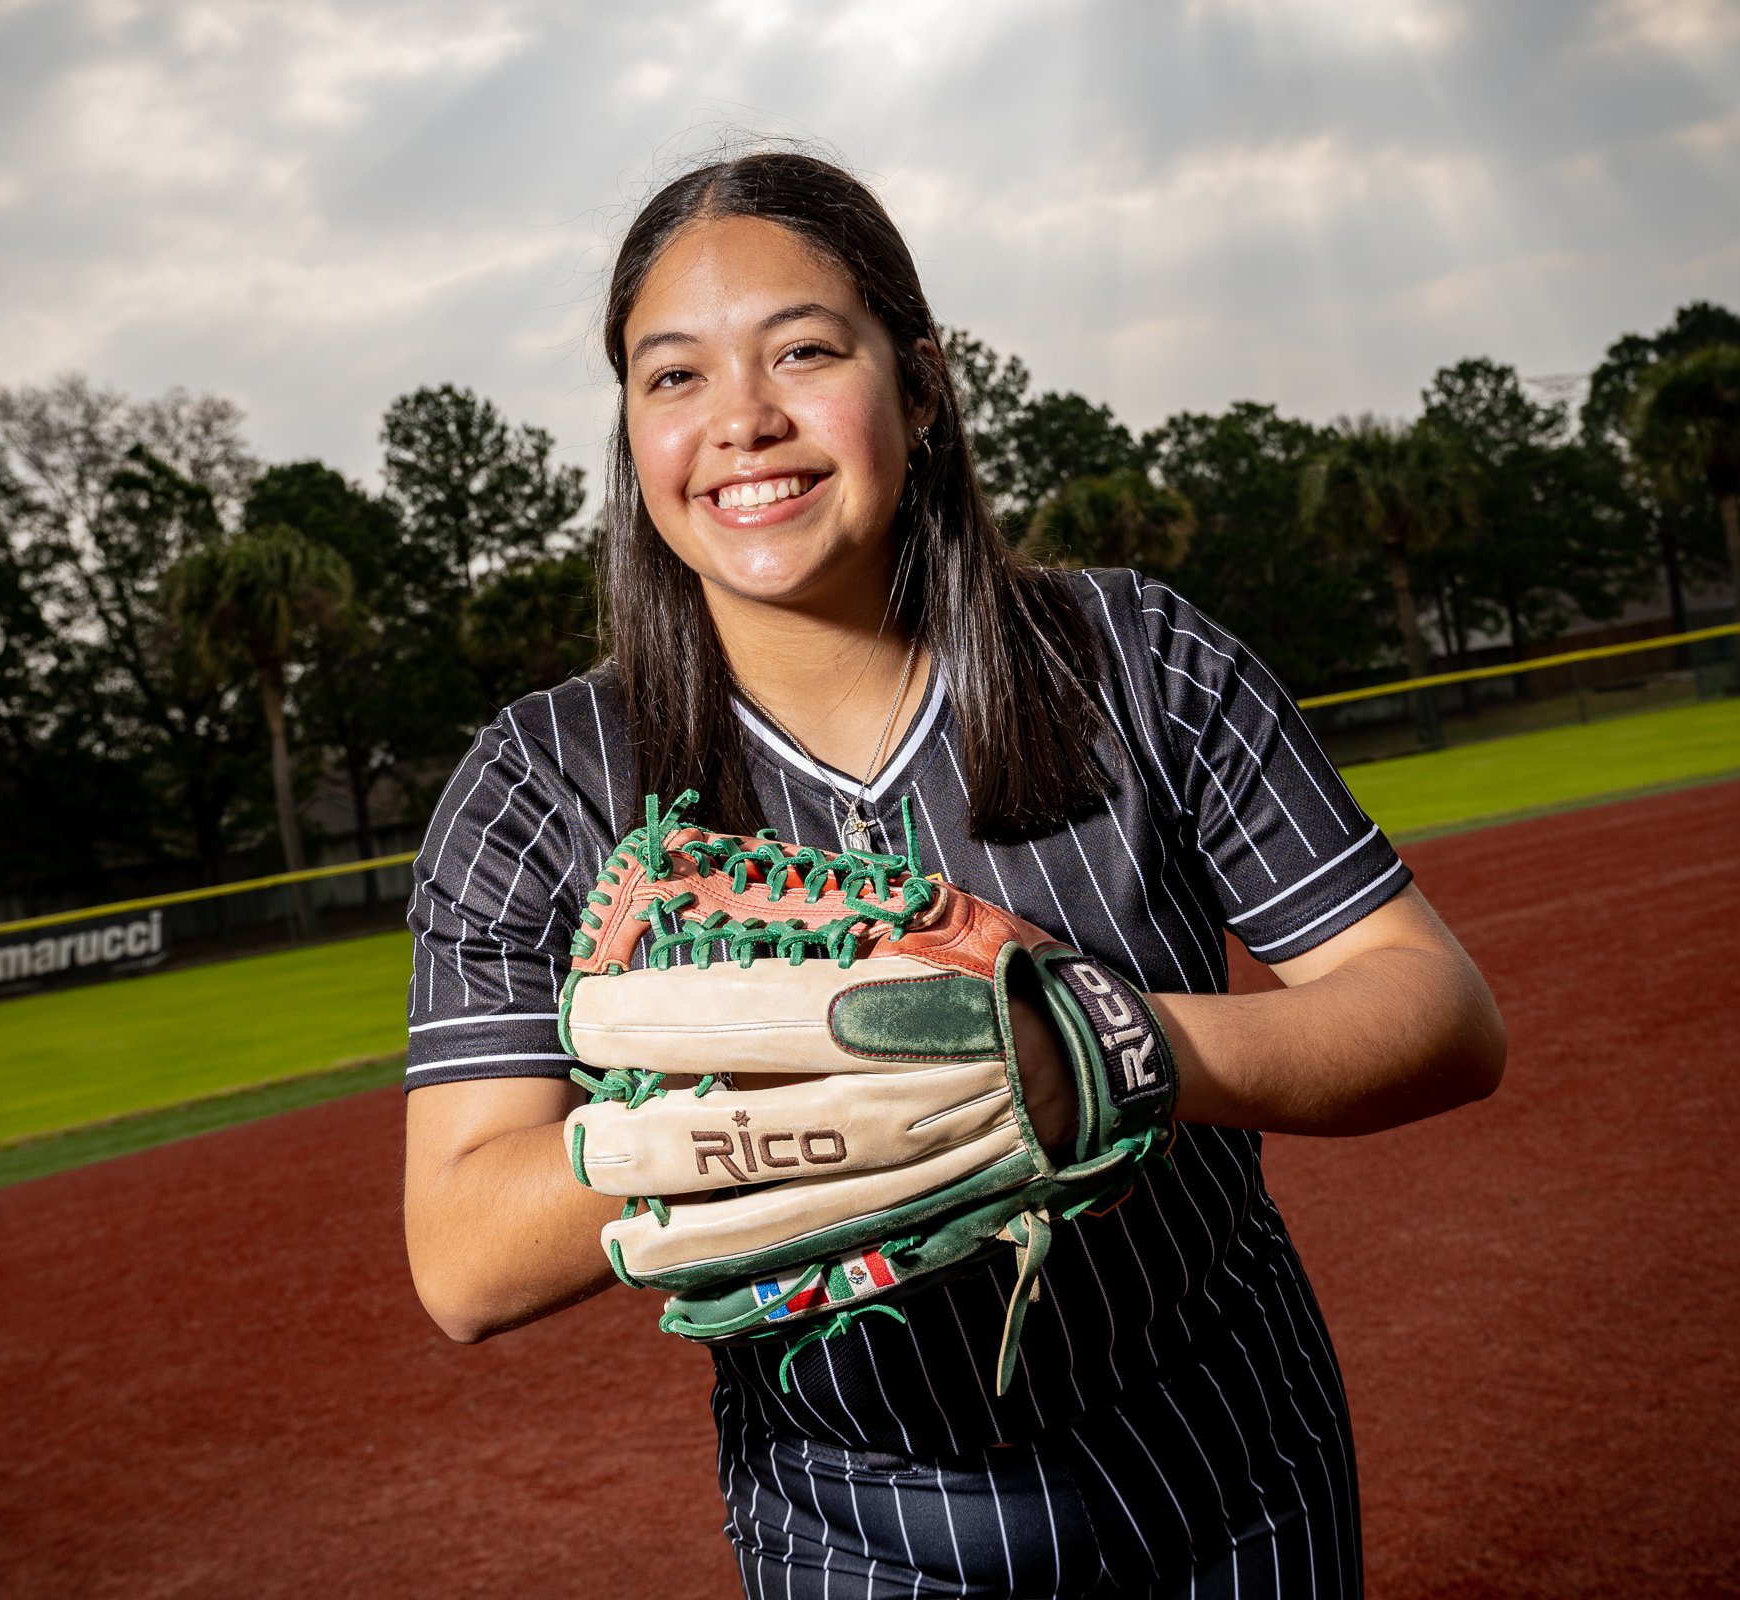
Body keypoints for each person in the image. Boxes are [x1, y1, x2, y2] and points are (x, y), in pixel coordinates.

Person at [401, 150, 1505, 1599]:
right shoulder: (541, 781)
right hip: (861, 1522)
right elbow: (465, 1260)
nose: (740, 419)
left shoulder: (1133, 657)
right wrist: (755, 1122)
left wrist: (1104, 1048)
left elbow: (1439, 1014)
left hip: (1230, 1451)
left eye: (802, 351)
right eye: (672, 378)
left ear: (919, 390)